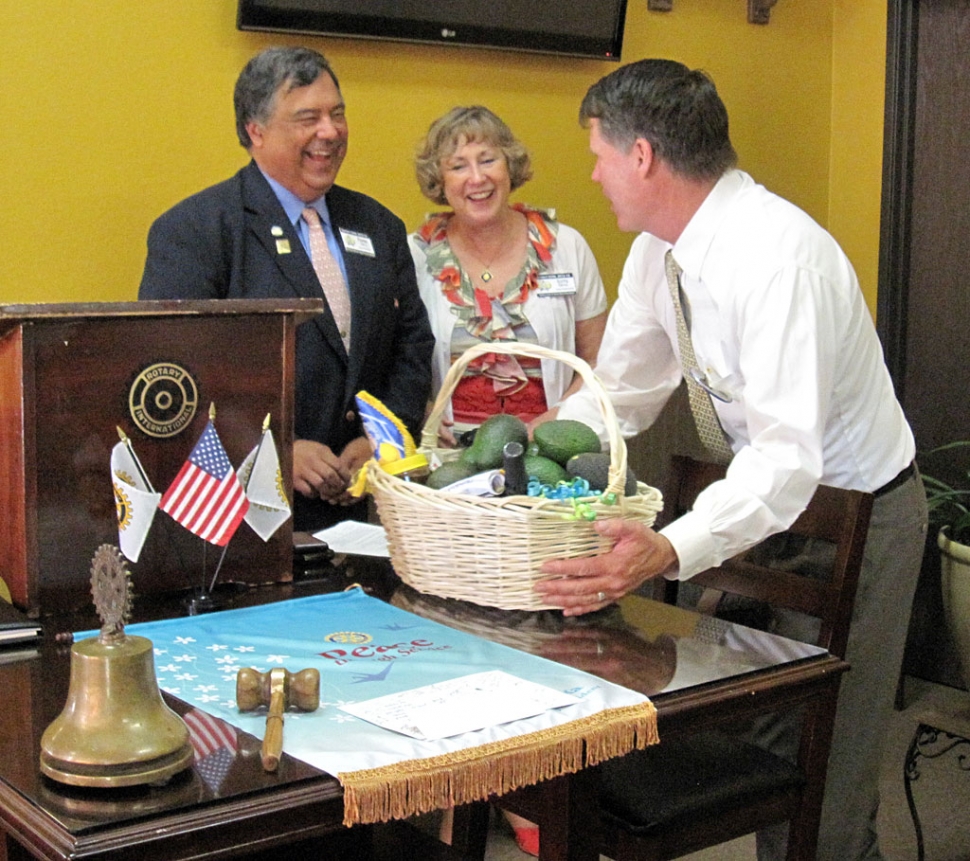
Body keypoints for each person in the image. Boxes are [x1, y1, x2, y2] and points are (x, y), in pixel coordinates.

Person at [533, 59, 928, 861]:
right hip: (764, 506)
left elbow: (788, 456)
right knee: (770, 742)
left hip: (858, 515)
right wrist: (529, 455)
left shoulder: (780, 259)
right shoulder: (658, 252)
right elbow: (621, 393)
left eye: (599, 153)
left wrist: (673, 544)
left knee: (826, 778)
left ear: (643, 155)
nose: (594, 172)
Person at [139, 47, 434, 532]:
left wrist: (383, 437)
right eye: (308, 118)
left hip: (368, 514)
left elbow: (412, 344)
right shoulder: (196, 230)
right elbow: (170, 375)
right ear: (256, 131)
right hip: (242, 520)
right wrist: (271, 451)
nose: (331, 131)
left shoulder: (379, 226)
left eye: (337, 114)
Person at [409, 106, 607, 442]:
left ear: (509, 165)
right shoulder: (415, 254)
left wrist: (557, 420)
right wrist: (423, 411)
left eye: (488, 160)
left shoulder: (566, 247)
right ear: (440, 181)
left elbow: (600, 362)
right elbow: (391, 363)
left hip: (549, 460)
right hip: (447, 464)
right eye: (458, 166)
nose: (477, 178)